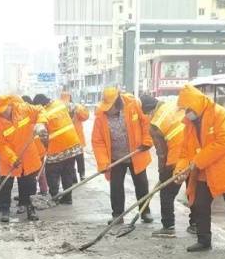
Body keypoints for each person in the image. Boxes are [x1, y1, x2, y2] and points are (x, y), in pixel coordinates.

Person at [173, 84, 225, 253]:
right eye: (184, 109)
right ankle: (203, 240)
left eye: (187, 108)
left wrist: (198, 160)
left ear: (195, 104)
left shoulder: (220, 114)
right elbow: (185, 152)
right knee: (200, 204)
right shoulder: (189, 125)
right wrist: (180, 170)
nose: (186, 113)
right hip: (203, 171)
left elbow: (224, 141)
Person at [92, 86, 153, 223]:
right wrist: (103, 163)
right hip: (115, 158)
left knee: (142, 184)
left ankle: (145, 211)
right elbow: (98, 141)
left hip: (136, 153)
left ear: (118, 101)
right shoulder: (100, 116)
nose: (108, 109)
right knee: (116, 187)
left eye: (111, 106)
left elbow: (145, 124)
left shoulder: (133, 105)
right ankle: (117, 215)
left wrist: (147, 141)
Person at [0, 94, 46, 222]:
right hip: (8, 158)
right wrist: (12, 158)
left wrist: (40, 123)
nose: (3, 113)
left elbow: (40, 109)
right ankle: (5, 209)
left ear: (10, 105)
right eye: (0, 111)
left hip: (27, 155)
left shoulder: (23, 109)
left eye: (5, 110)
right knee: (5, 185)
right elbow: (0, 145)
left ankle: (30, 208)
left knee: (28, 184)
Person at [143, 93, 185, 239]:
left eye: (147, 113)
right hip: (193, 153)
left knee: (166, 193)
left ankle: (168, 227)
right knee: (194, 192)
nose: (147, 116)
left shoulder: (155, 124)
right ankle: (195, 225)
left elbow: (161, 153)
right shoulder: (170, 106)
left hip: (176, 160)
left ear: (150, 110)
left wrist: (163, 172)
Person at [35, 93, 83, 203]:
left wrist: (46, 144)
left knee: (51, 172)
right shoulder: (60, 103)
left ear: (39, 105)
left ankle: (55, 196)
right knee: (67, 172)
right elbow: (74, 108)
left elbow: (41, 131)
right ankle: (67, 198)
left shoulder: (43, 112)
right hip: (73, 145)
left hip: (57, 148)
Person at [62, 91, 88, 180]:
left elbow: (85, 117)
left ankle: (76, 176)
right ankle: (80, 175)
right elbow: (85, 117)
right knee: (77, 158)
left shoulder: (75, 107)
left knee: (72, 158)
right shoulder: (62, 109)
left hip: (71, 138)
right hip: (73, 138)